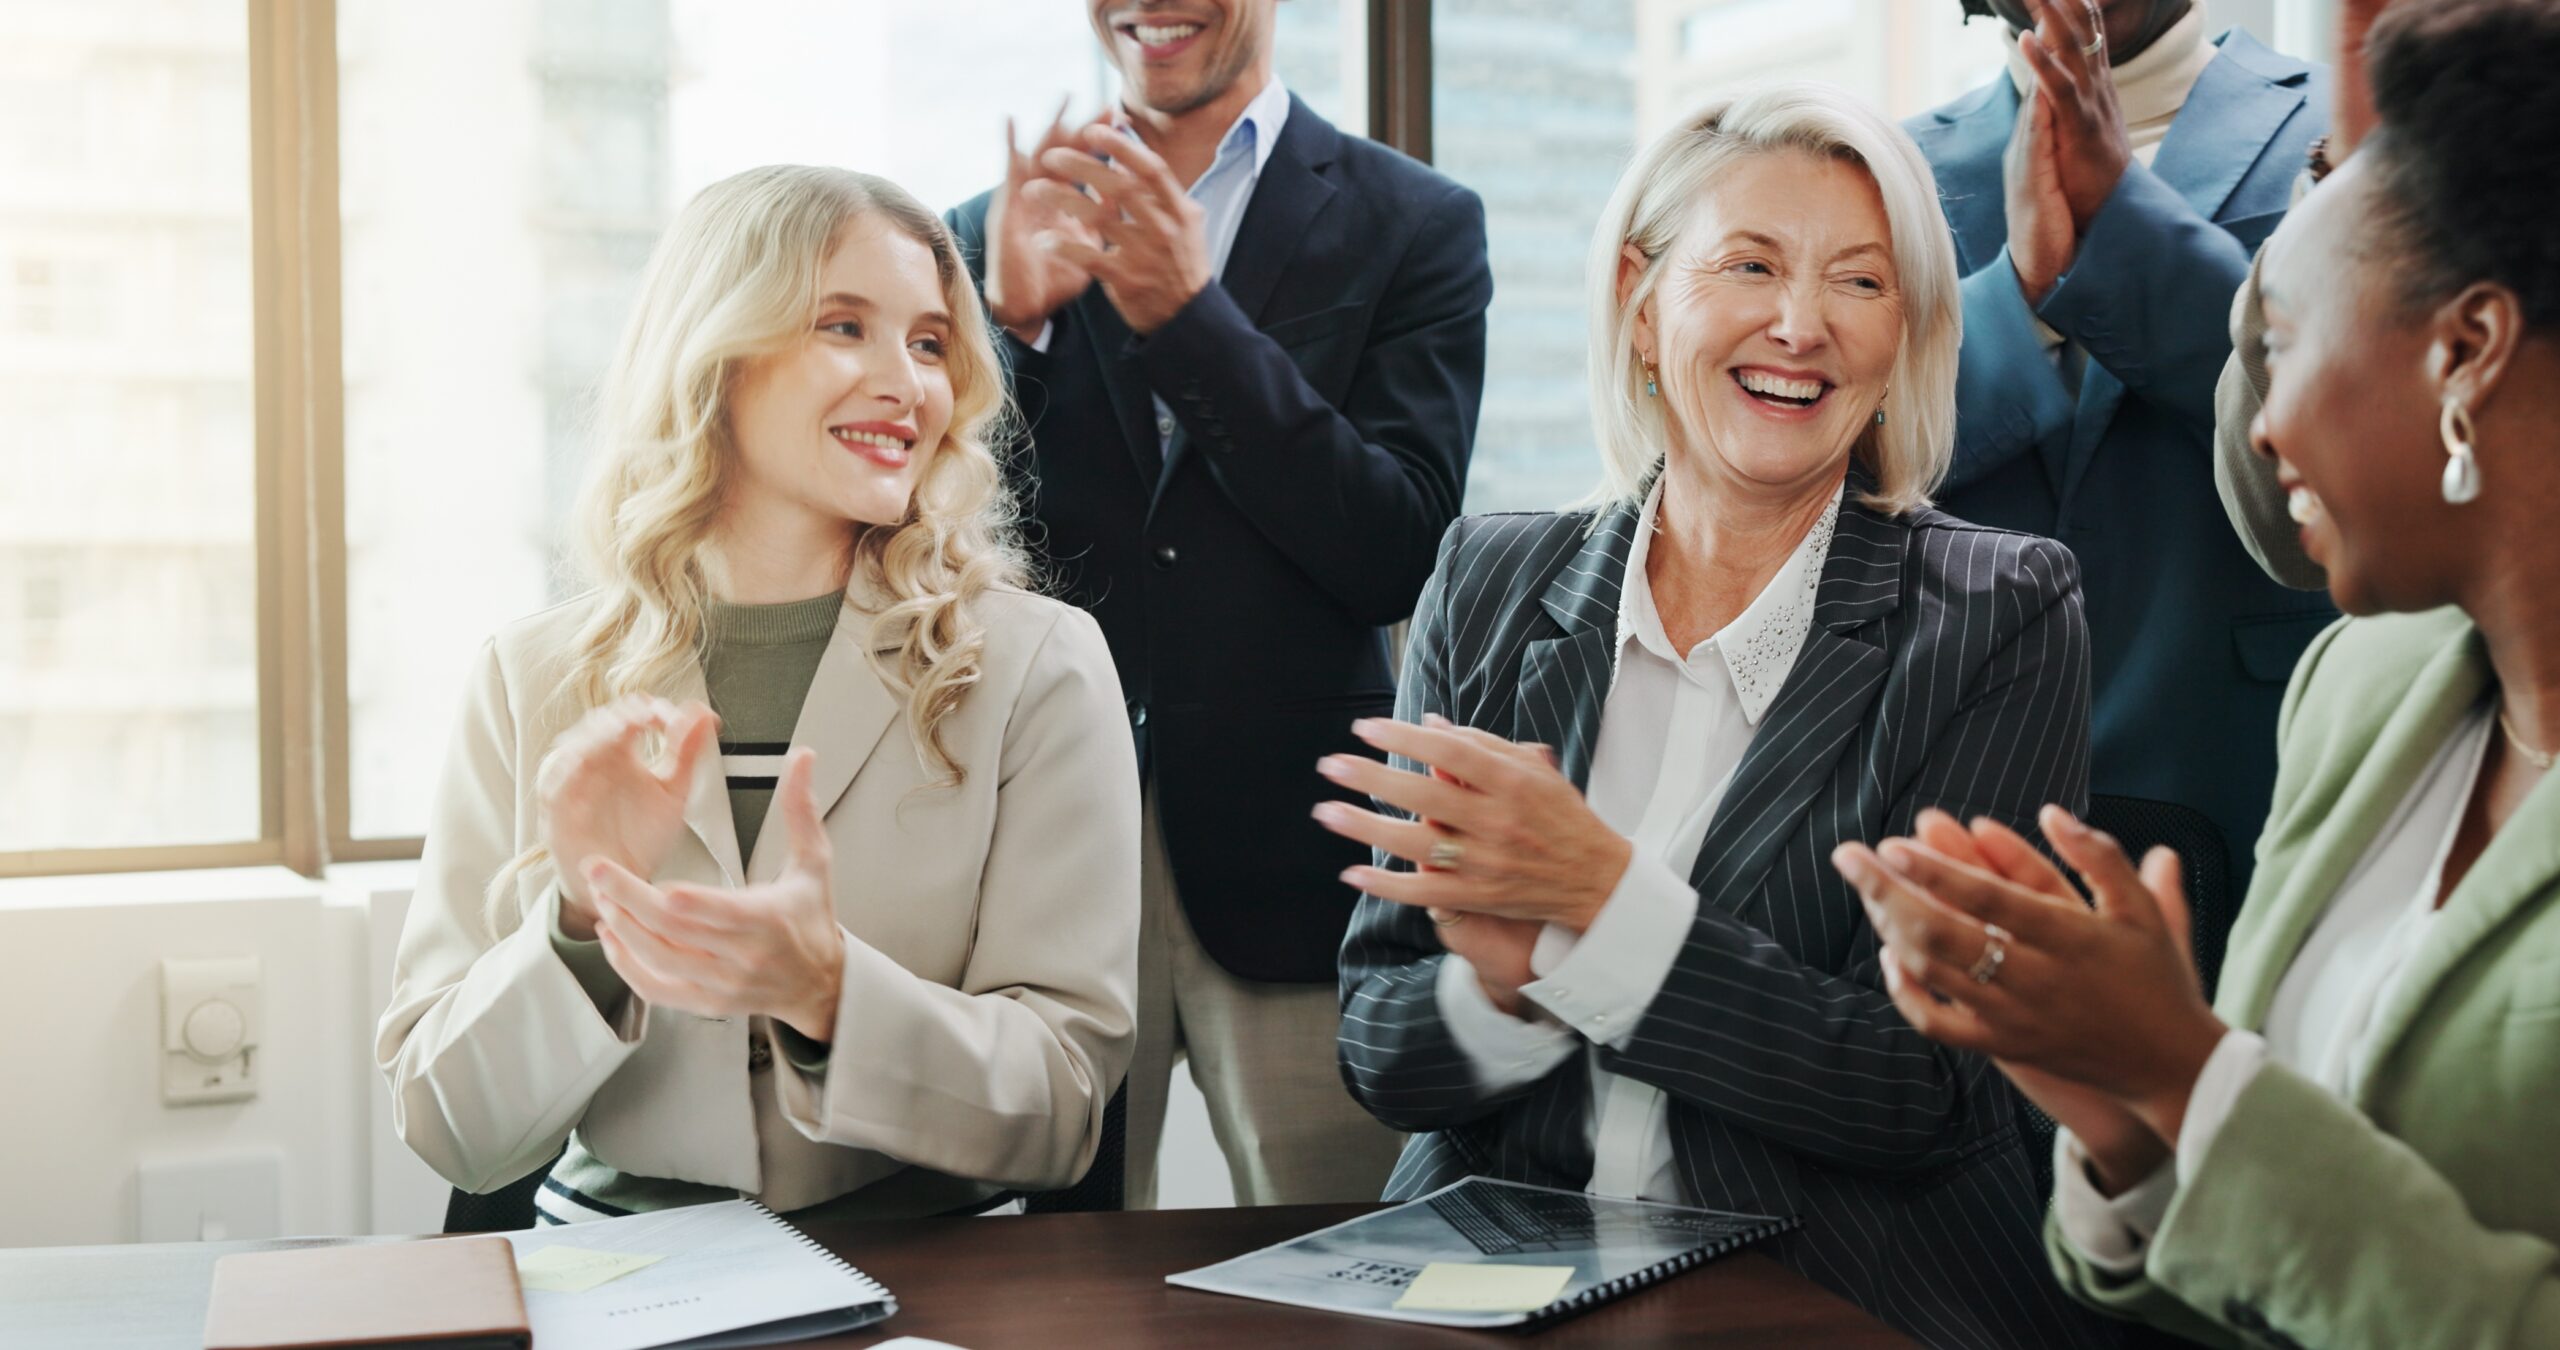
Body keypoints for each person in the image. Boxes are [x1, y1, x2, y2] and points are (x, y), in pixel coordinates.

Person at [1331, 85, 2120, 1349]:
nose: (1799, 325)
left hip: (1847, 1297)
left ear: (1903, 332)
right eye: (1749, 265)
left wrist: (1596, 905)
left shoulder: (2000, 610)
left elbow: (1920, 1090)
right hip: (1493, 1284)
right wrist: (1498, 992)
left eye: (1859, 284)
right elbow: (1381, 1050)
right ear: (1643, 306)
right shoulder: (1485, 579)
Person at [1839, 3, 2560, 1344]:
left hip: (2221, 774)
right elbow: (1854, 452)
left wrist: (2190, 1075)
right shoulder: (1892, 169)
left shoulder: (2369, 135)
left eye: (2275, 342)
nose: (2266, 409)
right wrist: (2133, 1102)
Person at [377, 166, 1140, 1224]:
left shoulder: (1037, 666)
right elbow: (449, 1126)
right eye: (844, 327)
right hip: (615, 1282)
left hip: (931, 1272)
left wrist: (828, 993)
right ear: (716, 355)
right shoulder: (530, 674)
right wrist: (581, 921)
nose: (908, 384)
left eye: (928, 343)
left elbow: (1061, 1111)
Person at [946, 0, 1491, 1208]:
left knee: (1341, 1260)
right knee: (1051, 1271)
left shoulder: (1417, 222)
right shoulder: (984, 235)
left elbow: (1396, 549)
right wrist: (1011, 332)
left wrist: (1194, 324)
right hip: (1039, 845)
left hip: (1299, 852)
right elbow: (937, 553)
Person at [1906, 0, 2337, 913]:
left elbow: (2355, 422)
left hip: (2251, 761)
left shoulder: (2344, 127)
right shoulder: (1891, 170)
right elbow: (1847, 456)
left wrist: (2122, 220)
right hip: (1949, 778)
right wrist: (2017, 294)